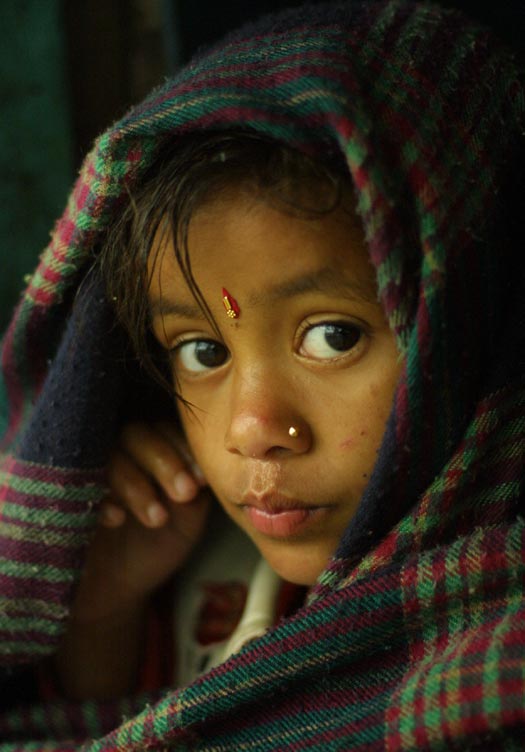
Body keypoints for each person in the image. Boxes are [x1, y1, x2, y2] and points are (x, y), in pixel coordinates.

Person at [0, 1, 524, 749]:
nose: (252, 429)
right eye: (201, 352)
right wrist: (105, 612)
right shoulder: (196, 562)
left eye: (331, 336)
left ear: (476, 324)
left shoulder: (494, 651)